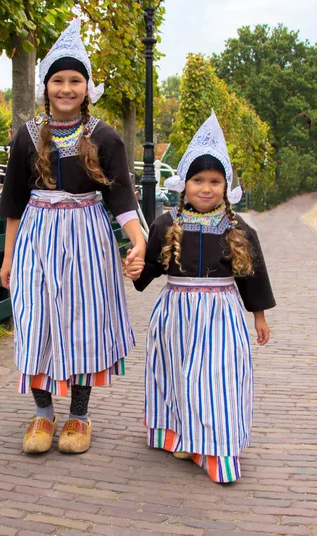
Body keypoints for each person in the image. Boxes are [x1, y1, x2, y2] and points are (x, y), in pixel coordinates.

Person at [0, 18, 145, 456]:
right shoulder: (26, 138)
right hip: (37, 238)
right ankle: (43, 412)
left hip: (86, 238)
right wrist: (8, 260)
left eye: (75, 80)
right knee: (36, 320)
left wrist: (138, 241)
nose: (66, 88)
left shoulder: (105, 137)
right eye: (58, 80)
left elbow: (121, 198)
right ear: (46, 86)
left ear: (87, 86)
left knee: (83, 323)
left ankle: (79, 417)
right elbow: (12, 204)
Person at [126, 110, 276, 483]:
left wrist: (258, 315)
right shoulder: (166, 224)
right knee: (178, 374)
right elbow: (150, 272)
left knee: (215, 378)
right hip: (176, 314)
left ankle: (216, 448)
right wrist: (135, 269)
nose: (205, 188)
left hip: (221, 316)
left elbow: (252, 275)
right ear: (184, 183)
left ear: (226, 185)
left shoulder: (238, 228)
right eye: (197, 180)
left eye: (214, 181)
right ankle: (181, 434)